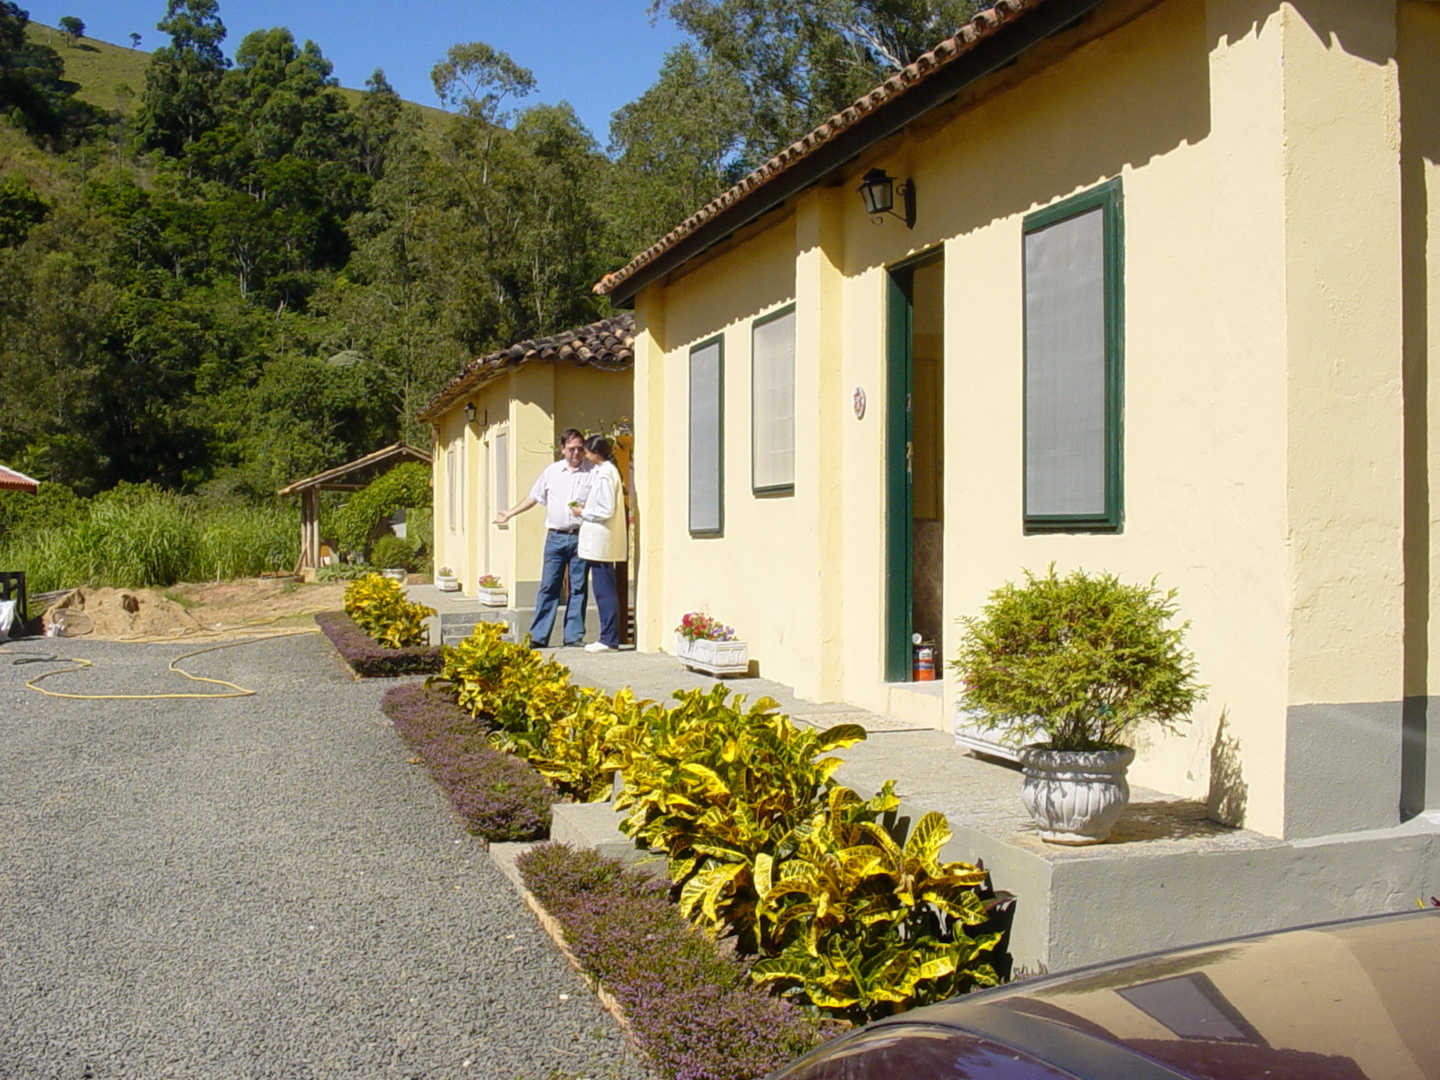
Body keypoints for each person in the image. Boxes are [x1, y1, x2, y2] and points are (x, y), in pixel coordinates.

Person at [494, 428, 592, 647]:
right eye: (571, 449)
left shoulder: (591, 472)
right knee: (549, 586)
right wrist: (510, 513)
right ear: (562, 449)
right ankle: (539, 637)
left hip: (581, 536)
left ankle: (573, 636)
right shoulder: (552, 471)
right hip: (555, 537)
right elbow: (533, 497)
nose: (576, 453)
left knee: (578, 588)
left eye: (579, 449)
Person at [573, 434, 627, 652]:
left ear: (595, 453)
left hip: (601, 540)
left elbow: (605, 509)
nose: (584, 455)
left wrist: (583, 511)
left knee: (604, 590)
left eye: (586, 451)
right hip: (599, 540)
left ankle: (608, 638)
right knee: (603, 588)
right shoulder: (604, 472)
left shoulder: (606, 474)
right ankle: (608, 636)